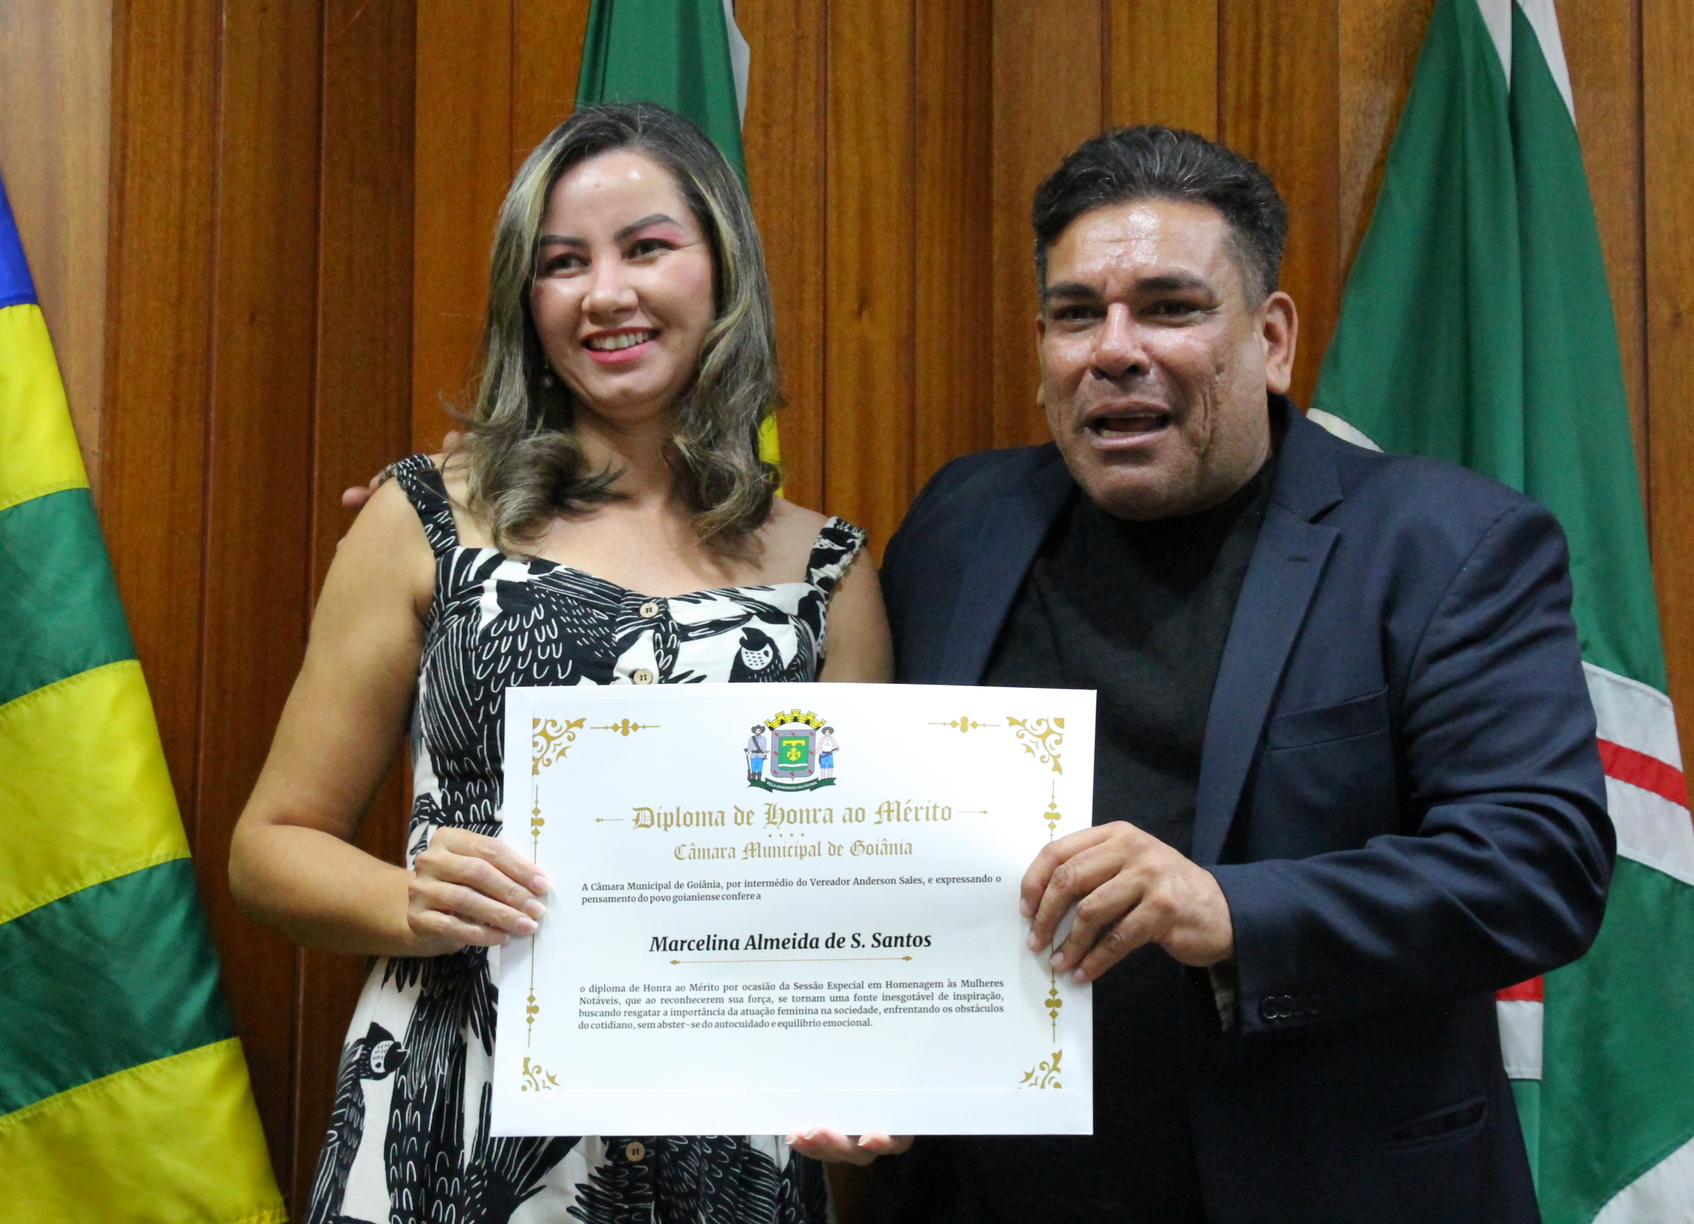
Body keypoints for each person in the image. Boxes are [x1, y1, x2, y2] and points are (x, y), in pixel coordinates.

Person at [871, 127, 1614, 1223]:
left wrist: (1232, 908)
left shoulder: (1443, 544)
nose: (1114, 350)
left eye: (1169, 308)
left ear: (1270, 339)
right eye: (1076, 315)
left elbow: (1540, 862)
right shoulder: (960, 522)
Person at [229, 102, 901, 1224]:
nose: (606, 293)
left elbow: (850, 897)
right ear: (525, 299)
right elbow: (269, 848)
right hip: (454, 1118)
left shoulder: (828, 570)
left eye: (647, 247)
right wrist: (412, 899)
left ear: (721, 271)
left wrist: (872, 1081)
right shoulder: (425, 516)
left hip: (727, 1143)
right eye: (563, 263)